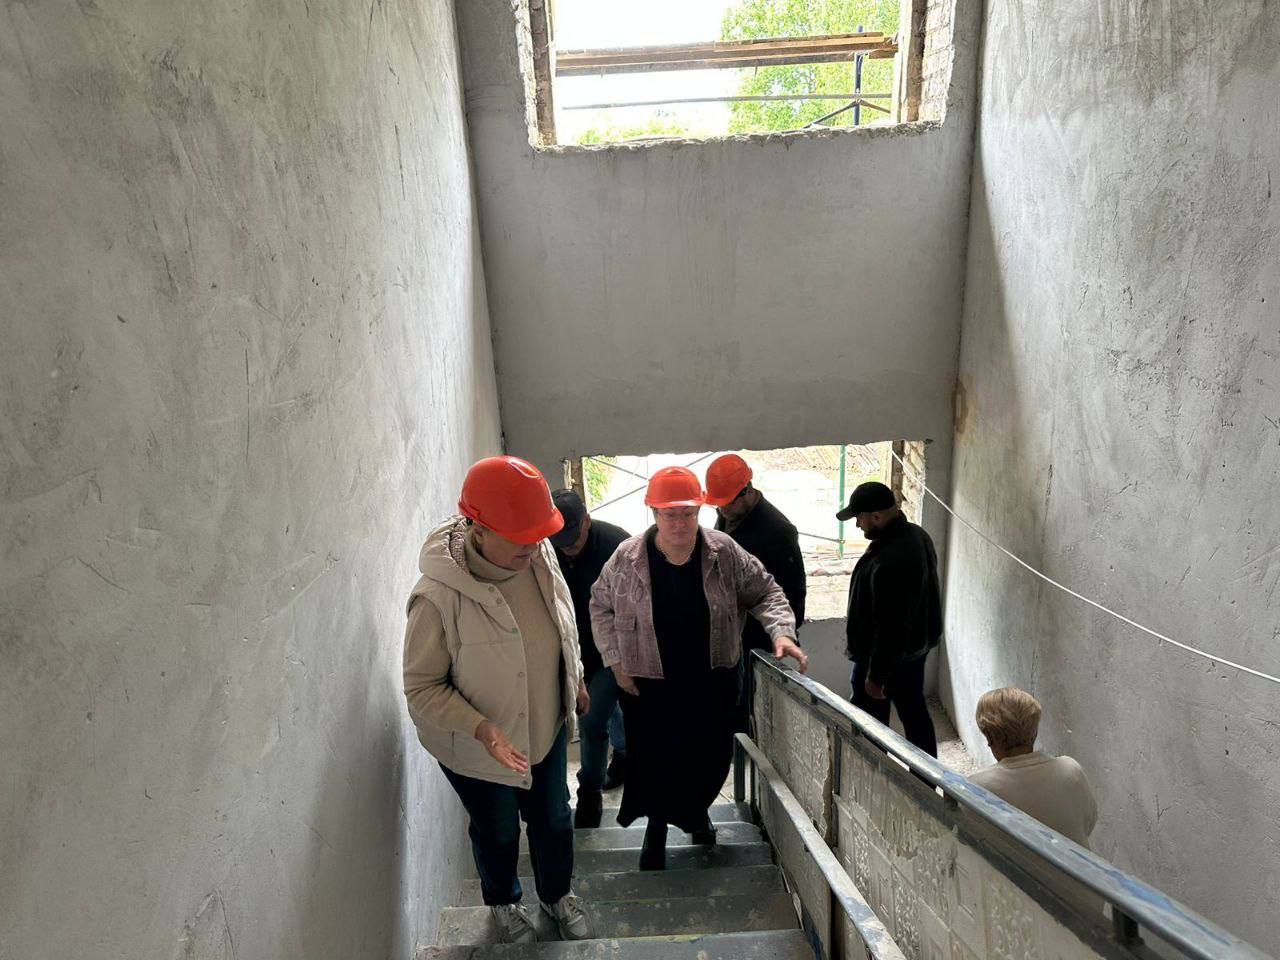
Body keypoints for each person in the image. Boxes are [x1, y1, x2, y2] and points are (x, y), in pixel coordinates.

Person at [402, 456, 593, 944]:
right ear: (479, 528)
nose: (534, 545)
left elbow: (562, 621)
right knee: (498, 830)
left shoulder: (537, 554)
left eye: (538, 534)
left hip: (544, 729)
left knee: (554, 818)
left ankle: (556, 894)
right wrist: (482, 728)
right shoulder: (437, 598)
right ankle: (504, 902)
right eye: (520, 536)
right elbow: (421, 687)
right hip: (478, 750)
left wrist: (574, 678)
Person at [590, 466, 808, 871]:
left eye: (688, 513)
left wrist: (781, 632)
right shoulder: (627, 558)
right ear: (654, 512)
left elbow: (766, 591)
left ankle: (695, 814)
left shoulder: (724, 552)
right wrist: (615, 660)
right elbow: (600, 606)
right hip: (649, 681)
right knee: (656, 759)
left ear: (700, 510)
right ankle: (656, 831)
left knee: (709, 757)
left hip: (712, 679)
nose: (679, 523)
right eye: (670, 514)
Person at [840, 480, 942, 757]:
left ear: (876, 517)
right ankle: (927, 776)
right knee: (914, 712)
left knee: (870, 725)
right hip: (912, 650)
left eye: (859, 518)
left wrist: (875, 676)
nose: (857, 525)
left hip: (886, 658)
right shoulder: (916, 535)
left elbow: (891, 625)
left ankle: (874, 771)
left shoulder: (892, 558)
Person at [548, 488, 630, 828]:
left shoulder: (618, 546)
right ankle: (613, 767)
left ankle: (592, 791)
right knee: (600, 716)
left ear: (587, 521)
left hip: (616, 649)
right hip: (574, 650)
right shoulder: (544, 548)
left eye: (572, 538)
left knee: (595, 718)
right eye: (560, 540)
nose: (567, 547)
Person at [706, 454, 806, 732]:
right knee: (730, 708)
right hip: (731, 635)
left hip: (757, 640)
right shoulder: (727, 516)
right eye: (718, 503)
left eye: (727, 502)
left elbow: (791, 593)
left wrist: (782, 634)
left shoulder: (778, 532)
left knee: (755, 712)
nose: (722, 509)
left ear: (746, 490)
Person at [969, 687, 1098, 847]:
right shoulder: (1071, 769)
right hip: (1076, 863)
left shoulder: (976, 787)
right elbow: (1089, 822)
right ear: (1034, 730)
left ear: (989, 737)